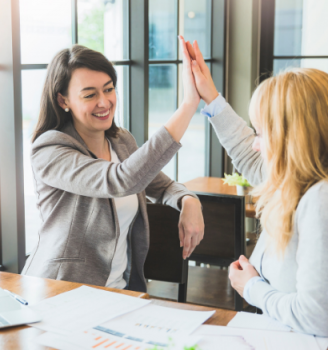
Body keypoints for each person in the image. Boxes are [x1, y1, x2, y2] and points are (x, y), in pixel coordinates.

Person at [183, 38, 328, 336]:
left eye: (261, 132)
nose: (256, 144)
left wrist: (252, 288)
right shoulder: (307, 182)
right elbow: (249, 155)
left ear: (291, 139)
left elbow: (317, 319)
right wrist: (211, 97)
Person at [22, 39, 205, 292]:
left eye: (108, 89)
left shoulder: (121, 141)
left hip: (118, 292)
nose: (104, 102)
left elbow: (161, 185)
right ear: (63, 101)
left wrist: (188, 200)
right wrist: (188, 106)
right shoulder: (50, 149)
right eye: (89, 94)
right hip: (60, 291)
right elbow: (121, 180)